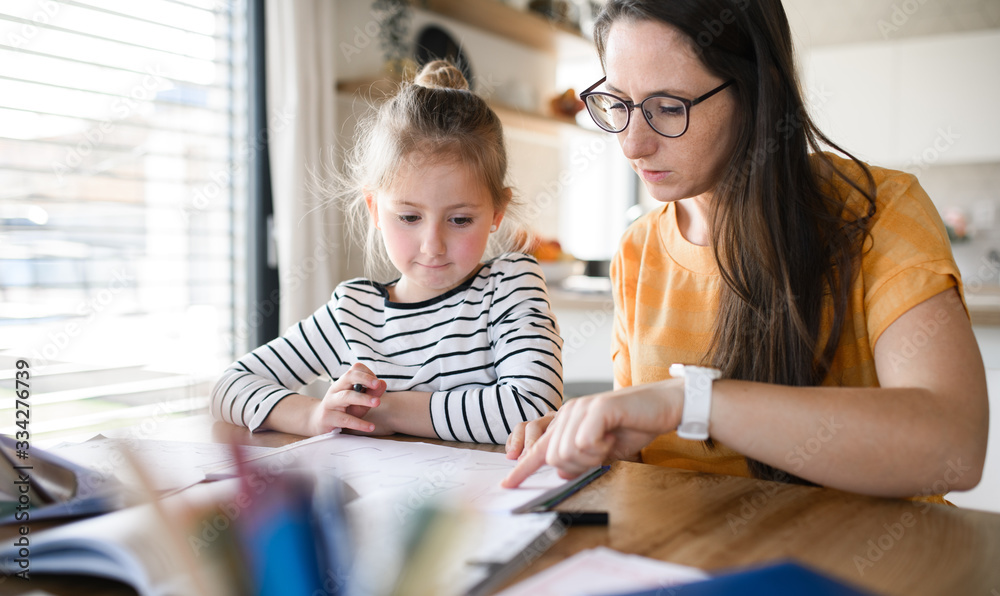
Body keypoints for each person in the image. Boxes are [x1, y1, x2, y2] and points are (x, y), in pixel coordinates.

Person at [502, 0, 988, 501]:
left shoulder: (878, 211)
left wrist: (695, 401)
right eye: (618, 104)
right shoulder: (639, 247)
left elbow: (954, 446)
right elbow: (647, 456)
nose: (632, 145)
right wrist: (591, 440)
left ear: (761, 92)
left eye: (669, 107)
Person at [211, 61, 563, 444]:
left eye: (460, 220)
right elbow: (229, 388)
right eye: (409, 217)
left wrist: (388, 409)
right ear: (375, 209)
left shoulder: (510, 285)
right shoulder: (352, 312)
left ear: (496, 212)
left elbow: (534, 407)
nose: (433, 245)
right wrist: (315, 415)